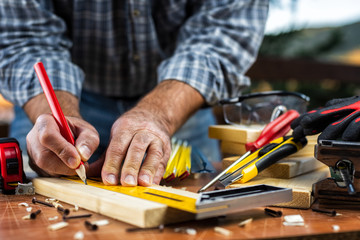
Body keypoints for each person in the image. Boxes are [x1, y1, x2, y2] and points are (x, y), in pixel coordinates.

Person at [0, 0, 269, 186]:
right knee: (41, 187)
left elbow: (221, 34)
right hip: (68, 100)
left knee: (200, 198)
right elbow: (26, 38)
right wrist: (60, 116)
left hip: (181, 107)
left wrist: (159, 116)